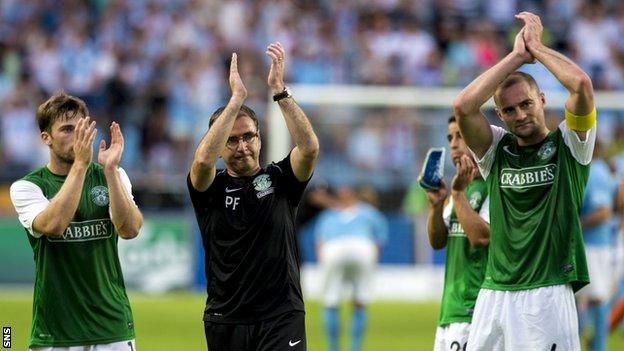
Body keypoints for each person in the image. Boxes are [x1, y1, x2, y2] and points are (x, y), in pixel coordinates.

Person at [453, 12, 596, 350]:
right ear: (500, 115)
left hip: (547, 293)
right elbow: (463, 105)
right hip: (494, 292)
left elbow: (581, 85)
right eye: (510, 110)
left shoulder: (570, 145)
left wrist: (537, 48)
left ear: (543, 100)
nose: (520, 114)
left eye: (527, 104)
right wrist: (516, 56)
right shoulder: (496, 150)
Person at [187, 42, 319, 351]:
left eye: (248, 136)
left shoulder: (281, 179)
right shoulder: (209, 188)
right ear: (220, 146)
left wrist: (280, 91)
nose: (242, 146)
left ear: (260, 138)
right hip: (227, 317)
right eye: (231, 141)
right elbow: (203, 162)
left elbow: (310, 148)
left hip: (280, 315)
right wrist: (236, 100)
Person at [9, 92, 143, 350]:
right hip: (55, 331)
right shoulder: (27, 187)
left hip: (112, 327)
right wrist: (81, 165)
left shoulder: (111, 175)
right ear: (45, 138)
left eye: (82, 127)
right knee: (6, 339)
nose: (78, 136)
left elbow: (130, 229)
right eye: (67, 129)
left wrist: (112, 171)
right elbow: (54, 225)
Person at [426, 116, 490, 351]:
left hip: (475, 309)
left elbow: (481, 237)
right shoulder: (460, 190)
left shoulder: (492, 186)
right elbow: (437, 241)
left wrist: (457, 194)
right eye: (450, 137)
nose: (453, 144)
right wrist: (436, 206)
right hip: (449, 311)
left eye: (460, 136)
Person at [314, 185, 388, 351]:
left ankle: (334, 349)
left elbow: (319, 242)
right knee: (360, 301)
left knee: (330, 301)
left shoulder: (329, 214)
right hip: (363, 248)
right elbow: (380, 239)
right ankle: (354, 348)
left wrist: (324, 263)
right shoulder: (369, 212)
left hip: (333, 249)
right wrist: (373, 259)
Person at [576, 141, 617, 351]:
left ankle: (596, 345)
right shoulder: (600, 171)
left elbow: (603, 211)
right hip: (597, 245)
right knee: (590, 300)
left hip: (593, 246)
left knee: (593, 300)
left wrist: (576, 225)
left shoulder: (595, 172)